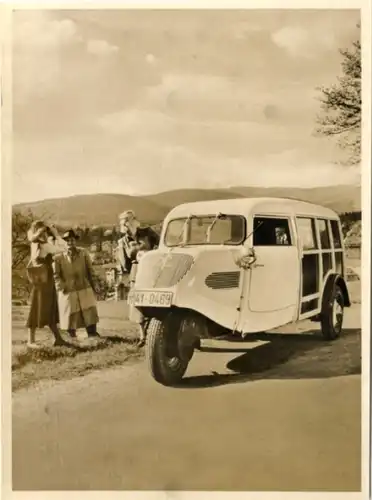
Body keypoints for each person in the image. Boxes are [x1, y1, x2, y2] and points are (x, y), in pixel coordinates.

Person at [117, 210, 159, 346]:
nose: (126, 226)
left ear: (134, 221)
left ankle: (157, 332)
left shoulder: (147, 232)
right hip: (136, 272)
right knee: (138, 304)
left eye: (128, 222)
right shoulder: (123, 241)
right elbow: (124, 263)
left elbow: (162, 246)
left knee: (156, 300)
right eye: (124, 224)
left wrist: (151, 255)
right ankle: (143, 336)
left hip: (153, 270)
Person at [25, 220, 67, 348]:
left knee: (43, 306)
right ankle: (32, 341)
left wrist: (44, 233)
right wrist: (56, 234)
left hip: (41, 279)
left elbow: (33, 237)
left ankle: (57, 338)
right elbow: (64, 248)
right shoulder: (44, 245)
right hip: (45, 278)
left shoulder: (35, 243)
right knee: (45, 306)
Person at [52, 229, 100, 340]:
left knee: (89, 310)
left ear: (75, 241)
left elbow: (90, 270)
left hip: (84, 286)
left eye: (72, 240)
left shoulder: (83, 253)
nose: (70, 243)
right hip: (68, 288)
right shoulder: (58, 258)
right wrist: (61, 286)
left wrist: (94, 284)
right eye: (68, 241)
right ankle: (71, 335)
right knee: (70, 312)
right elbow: (56, 275)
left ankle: (92, 333)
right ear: (65, 242)